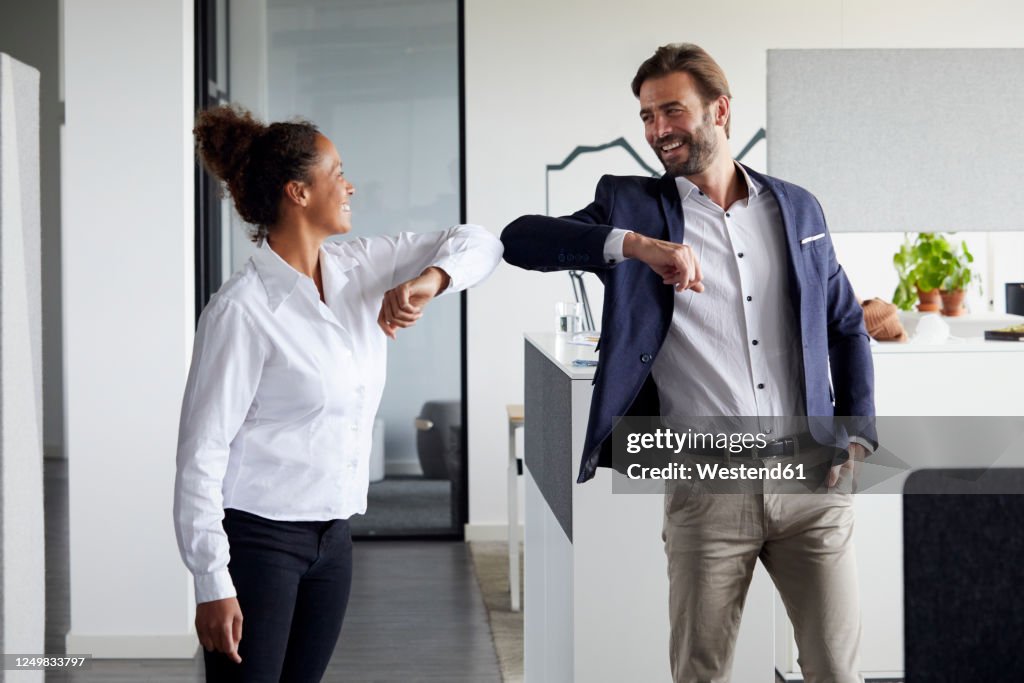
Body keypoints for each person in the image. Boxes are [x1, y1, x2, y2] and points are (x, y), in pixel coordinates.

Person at [501, 43, 875, 683]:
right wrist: (636, 247)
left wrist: (859, 432)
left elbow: (844, 324)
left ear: (720, 109)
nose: (657, 131)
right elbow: (520, 240)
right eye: (647, 117)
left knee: (837, 671)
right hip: (708, 482)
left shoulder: (799, 207)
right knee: (701, 674)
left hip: (814, 482)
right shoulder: (633, 205)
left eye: (672, 111)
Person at [174, 105, 502, 682]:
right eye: (337, 172)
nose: (350, 185)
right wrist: (211, 581)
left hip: (334, 542)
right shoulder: (242, 310)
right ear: (298, 192)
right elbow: (201, 454)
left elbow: (480, 243)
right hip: (258, 542)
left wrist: (429, 281)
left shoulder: (359, 267)